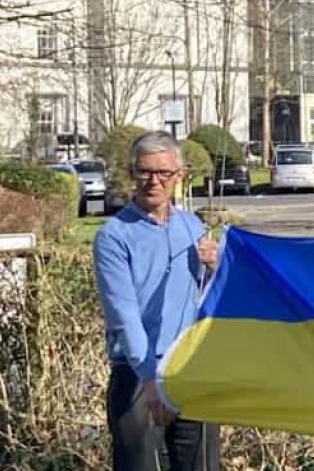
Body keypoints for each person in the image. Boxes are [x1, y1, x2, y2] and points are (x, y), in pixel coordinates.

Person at [94, 131, 220, 471]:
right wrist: (150, 378)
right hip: (136, 373)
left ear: (178, 175)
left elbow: (205, 298)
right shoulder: (113, 237)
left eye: (163, 173)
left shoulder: (193, 226)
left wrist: (215, 269)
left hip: (188, 369)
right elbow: (123, 314)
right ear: (132, 173)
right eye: (145, 172)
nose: (154, 181)